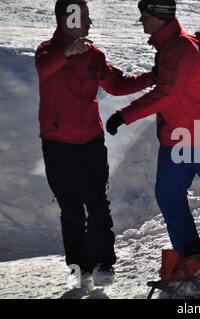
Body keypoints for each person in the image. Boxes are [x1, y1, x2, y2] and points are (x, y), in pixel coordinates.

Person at [106, 0, 200, 257]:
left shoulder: (180, 48)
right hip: (178, 137)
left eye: (145, 14)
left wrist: (124, 116)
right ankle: (190, 256)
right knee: (168, 194)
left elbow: (166, 94)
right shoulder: (170, 46)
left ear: (159, 15)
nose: (141, 20)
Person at [35, 0, 153, 287]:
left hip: (91, 143)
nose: (89, 23)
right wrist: (66, 51)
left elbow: (118, 84)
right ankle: (79, 270)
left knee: (98, 205)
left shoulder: (93, 55)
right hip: (58, 146)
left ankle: (104, 266)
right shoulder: (46, 52)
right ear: (68, 18)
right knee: (72, 210)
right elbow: (47, 67)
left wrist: (155, 77)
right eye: (84, 17)